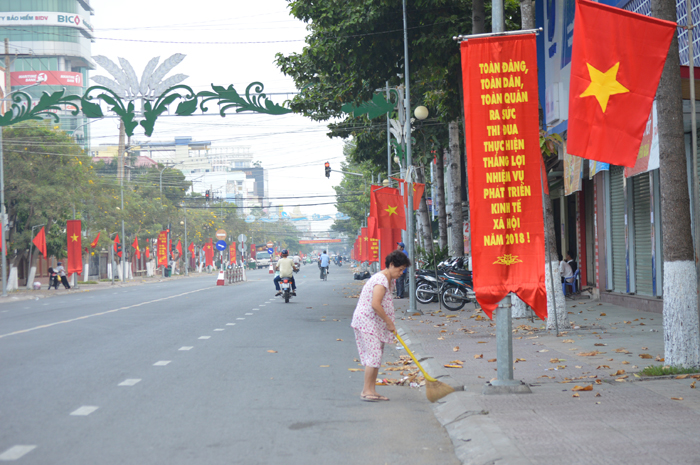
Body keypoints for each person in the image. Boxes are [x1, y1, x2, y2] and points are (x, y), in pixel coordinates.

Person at [351, 250, 411, 402]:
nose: (401, 272)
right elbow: (375, 304)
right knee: (374, 355)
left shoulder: (386, 279)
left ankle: (372, 389)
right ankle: (366, 391)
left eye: (403, 269)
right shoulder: (381, 280)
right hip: (366, 322)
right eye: (400, 269)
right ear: (391, 265)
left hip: (373, 323)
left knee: (376, 355)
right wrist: (389, 322)